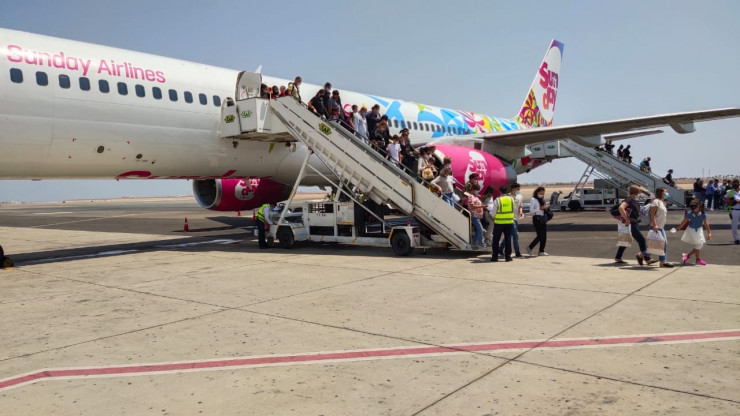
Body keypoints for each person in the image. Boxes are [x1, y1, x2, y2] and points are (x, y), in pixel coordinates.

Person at [614, 185, 654, 265]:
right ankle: (647, 259)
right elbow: (621, 208)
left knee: (626, 239)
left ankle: (618, 257)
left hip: (633, 222)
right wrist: (627, 219)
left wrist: (651, 202)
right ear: (637, 192)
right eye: (640, 191)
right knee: (641, 240)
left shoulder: (634, 201)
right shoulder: (629, 200)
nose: (640, 193)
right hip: (631, 223)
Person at [678, 199, 712, 265]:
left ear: (699, 206)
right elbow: (684, 221)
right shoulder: (690, 214)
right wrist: (679, 227)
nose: (693, 209)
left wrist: (709, 233)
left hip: (699, 230)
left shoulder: (703, 214)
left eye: (695, 207)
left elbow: (706, 224)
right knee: (698, 244)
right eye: (692, 207)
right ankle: (697, 259)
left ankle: (687, 255)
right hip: (691, 230)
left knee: (700, 245)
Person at [490, 186, 517, 262]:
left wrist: (493, 216)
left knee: (496, 240)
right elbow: (514, 210)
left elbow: (493, 213)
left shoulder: (497, 200)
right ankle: (508, 257)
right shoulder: (511, 199)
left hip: (499, 222)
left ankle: (495, 257)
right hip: (509, 222)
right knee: (508, 239)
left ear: (500, 191)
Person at [498, 182, 523, 258]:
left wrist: (521, 211)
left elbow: (520, 206)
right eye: (517, 189)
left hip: (516, 218)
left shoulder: (519, 196)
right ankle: (517, 252)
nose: (518, 190)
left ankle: (500, 249)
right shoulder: (508, 196)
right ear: (513, 188)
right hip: (509, 218)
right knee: (515, 235)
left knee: (509, 235)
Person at [649, 187, 673, 267]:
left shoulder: (662, 202)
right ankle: (662, 261)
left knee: (658, 244)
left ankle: (642, 255)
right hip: (656, 226)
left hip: (661, 226)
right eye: (665, 192)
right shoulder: (656, 202)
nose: (667, 193)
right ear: (661, 193)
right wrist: (655, 224)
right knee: (662, 244)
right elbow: (652, 214)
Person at [526, 186, 551, 256]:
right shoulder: (533, 199)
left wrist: (545, 208)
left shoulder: (542, 200)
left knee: (544, 235)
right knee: (540, 235)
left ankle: (541, 251)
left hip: (543, 218)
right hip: (536, 218)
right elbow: (531, 210)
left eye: (543, 193)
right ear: (537, 192)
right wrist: (539, 208)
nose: (542, 195)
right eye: (541, 193)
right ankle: (530, 247)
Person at [466, 183, 485, 249]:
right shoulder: (471, 197)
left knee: (478, 230)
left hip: (478, 216)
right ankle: (480, 243)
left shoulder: (476, 196)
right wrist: (481, 206)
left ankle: (474, 243)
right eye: (477, 190)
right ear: (473, 190)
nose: (478, 192)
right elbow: (472, 206)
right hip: (474, 215)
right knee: (480, 229)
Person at [725, 179, 740, 244]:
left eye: (736, 183)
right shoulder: (730, 192)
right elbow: (726, 201)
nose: (734, 184)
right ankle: (736, 239)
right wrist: (729, 211)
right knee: (734, 225)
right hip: (734, 210)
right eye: (733, 183)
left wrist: (737, 201)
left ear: (739, 184)